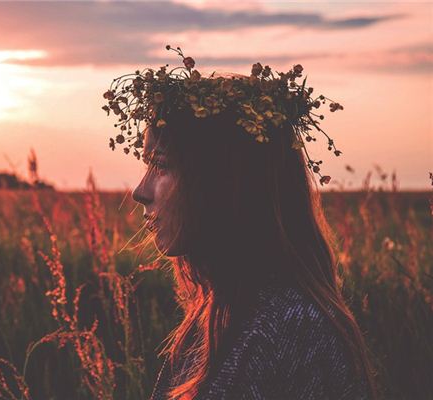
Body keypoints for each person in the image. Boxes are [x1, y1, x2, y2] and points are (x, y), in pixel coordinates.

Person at [101, 45, 379, 399]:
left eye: (163, 165)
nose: (140, 190)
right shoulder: (220, 316)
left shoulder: (288, 331)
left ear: (224, 183)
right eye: (147, 164)